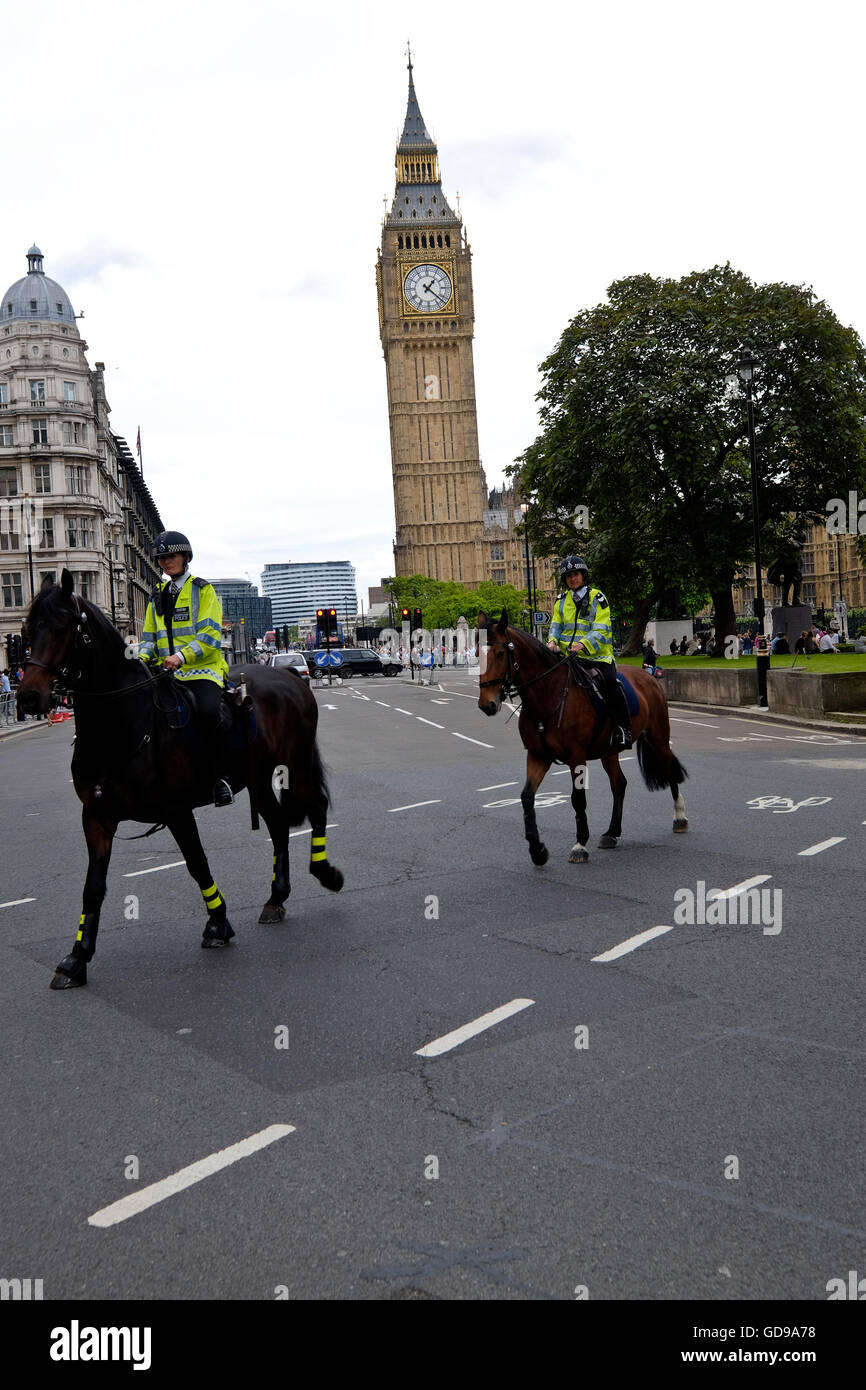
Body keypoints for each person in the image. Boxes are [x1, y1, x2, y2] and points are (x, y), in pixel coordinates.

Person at [138, 530, 234, 806]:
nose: (166, 562)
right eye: (161, 558)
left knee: (206, 712)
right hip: (165, 673)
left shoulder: (202, 590)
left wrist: (181, 656)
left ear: (185, 557)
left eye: (171, 556)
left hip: (202, 670)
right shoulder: (157, 594)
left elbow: (210, 636)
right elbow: (149, 639)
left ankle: (221, 777)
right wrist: (143, 659)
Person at [547, 554, 632, 750]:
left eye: (575, 574)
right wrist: (552, 641)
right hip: (569, 657)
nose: (572, 578)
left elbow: (601, 628)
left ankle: (623, 728)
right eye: (568, 576)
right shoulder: (561, 601)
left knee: (612, 683)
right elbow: (555, 626)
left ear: (583, 575)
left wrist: (583, 644)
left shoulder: (597, 597)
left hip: (597, 657)